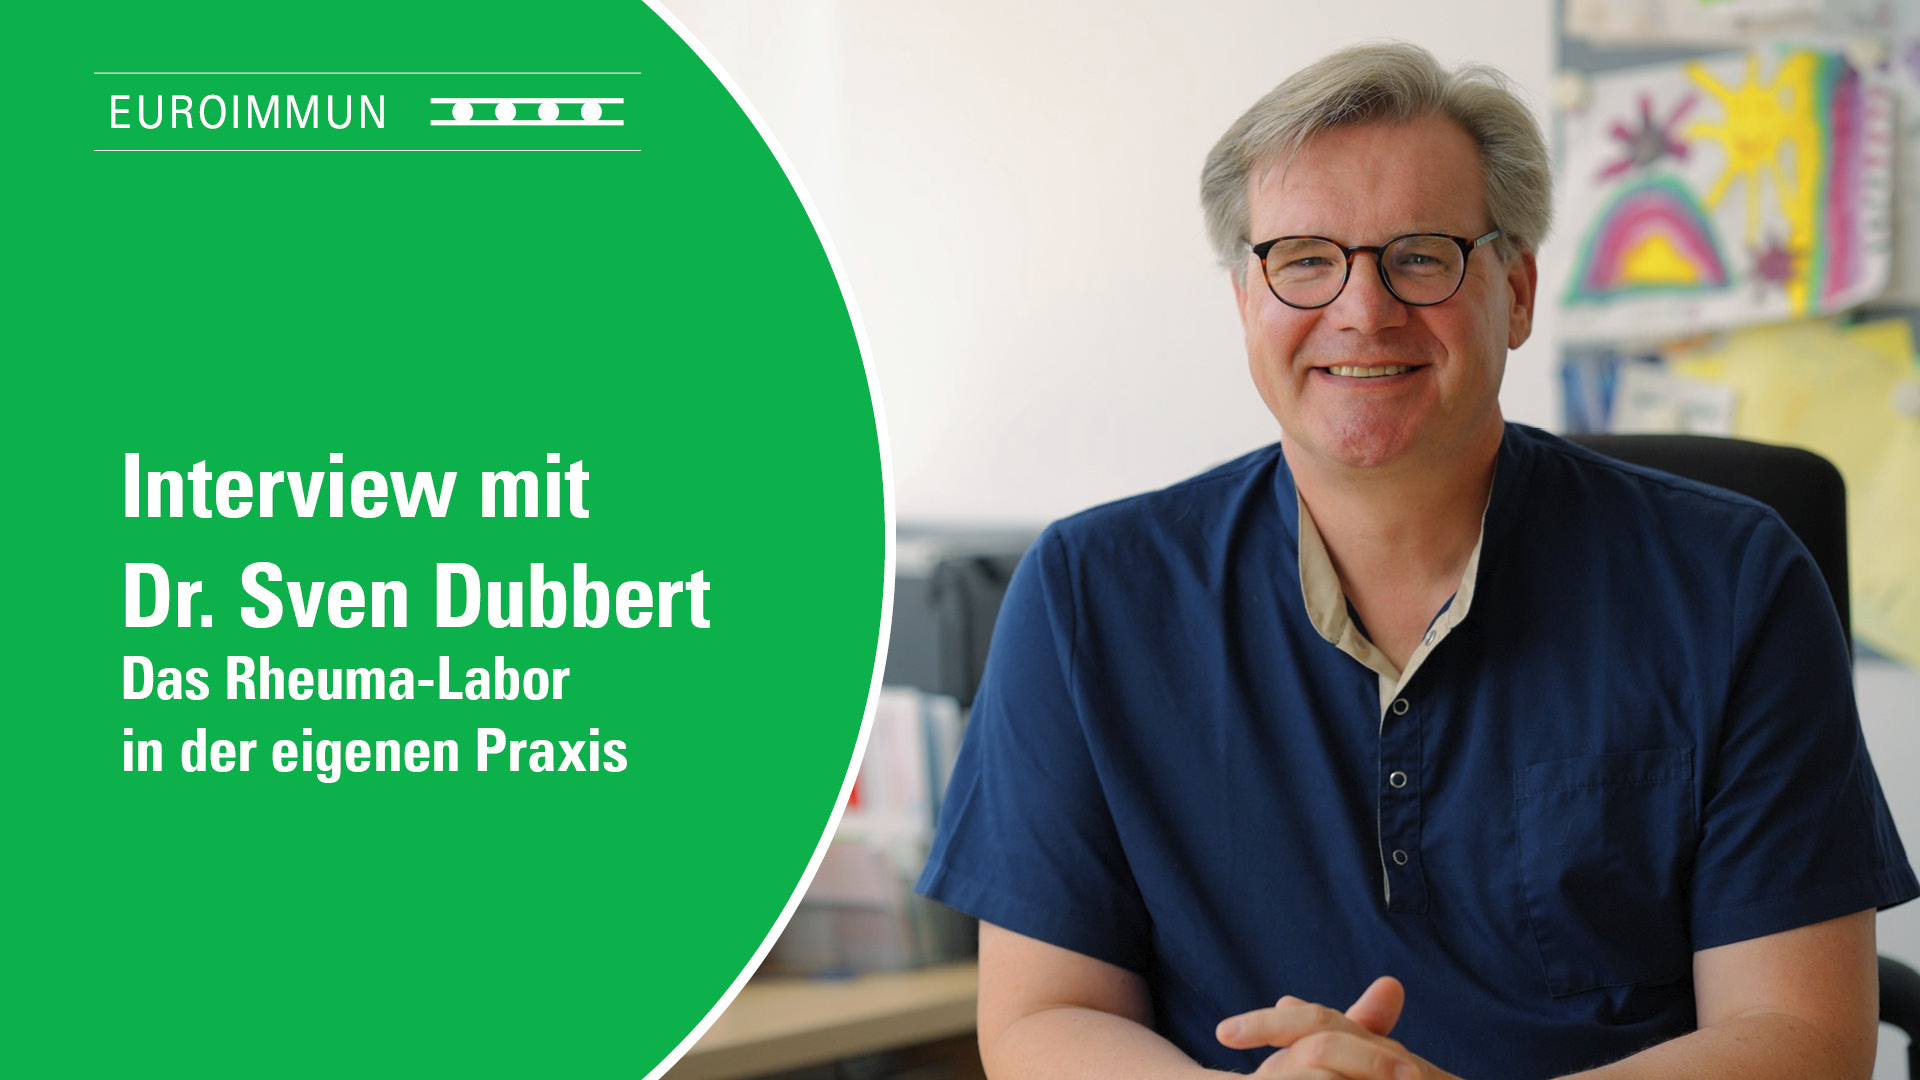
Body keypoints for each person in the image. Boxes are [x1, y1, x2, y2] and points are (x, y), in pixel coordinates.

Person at [915, 41, 1916, 1080]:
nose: (1362, 308)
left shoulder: (1734, 583)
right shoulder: (1088, 596)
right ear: (1246, 303)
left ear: (1517, 292)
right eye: (1303, 258)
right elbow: (1039, 1019)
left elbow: (1801, 1039)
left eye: (1422, 255)